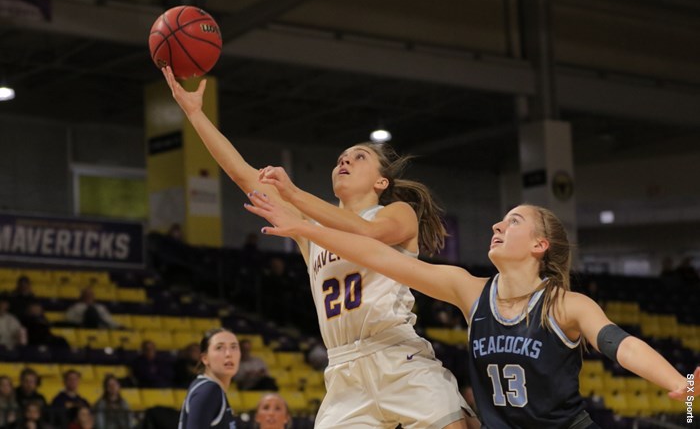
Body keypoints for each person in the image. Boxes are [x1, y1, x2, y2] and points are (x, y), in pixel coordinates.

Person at [163, 66, 475, 429]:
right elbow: (241, 173)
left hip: (397, 354)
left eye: (358, 157)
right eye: (341, 156)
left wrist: (293, 194)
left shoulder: (396, 212)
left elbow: (368, 233)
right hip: (343, 371)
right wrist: (194, 114)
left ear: (380, 180)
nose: (344, 160)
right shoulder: (309, 228)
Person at [246, 193, 700, 428]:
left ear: (540, 246)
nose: (498, 225)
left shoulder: (565, 303)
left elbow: (621, 346)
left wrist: (681, 388)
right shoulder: (467, 290)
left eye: (514, 221)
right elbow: (377, 256)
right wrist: (304, 228)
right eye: (501, 220)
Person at [178, 328, 239, 429]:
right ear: (205, 358)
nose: (229, 354)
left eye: (234, 347)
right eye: (219, 348)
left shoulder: (211, 389)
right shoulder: (209, 390)